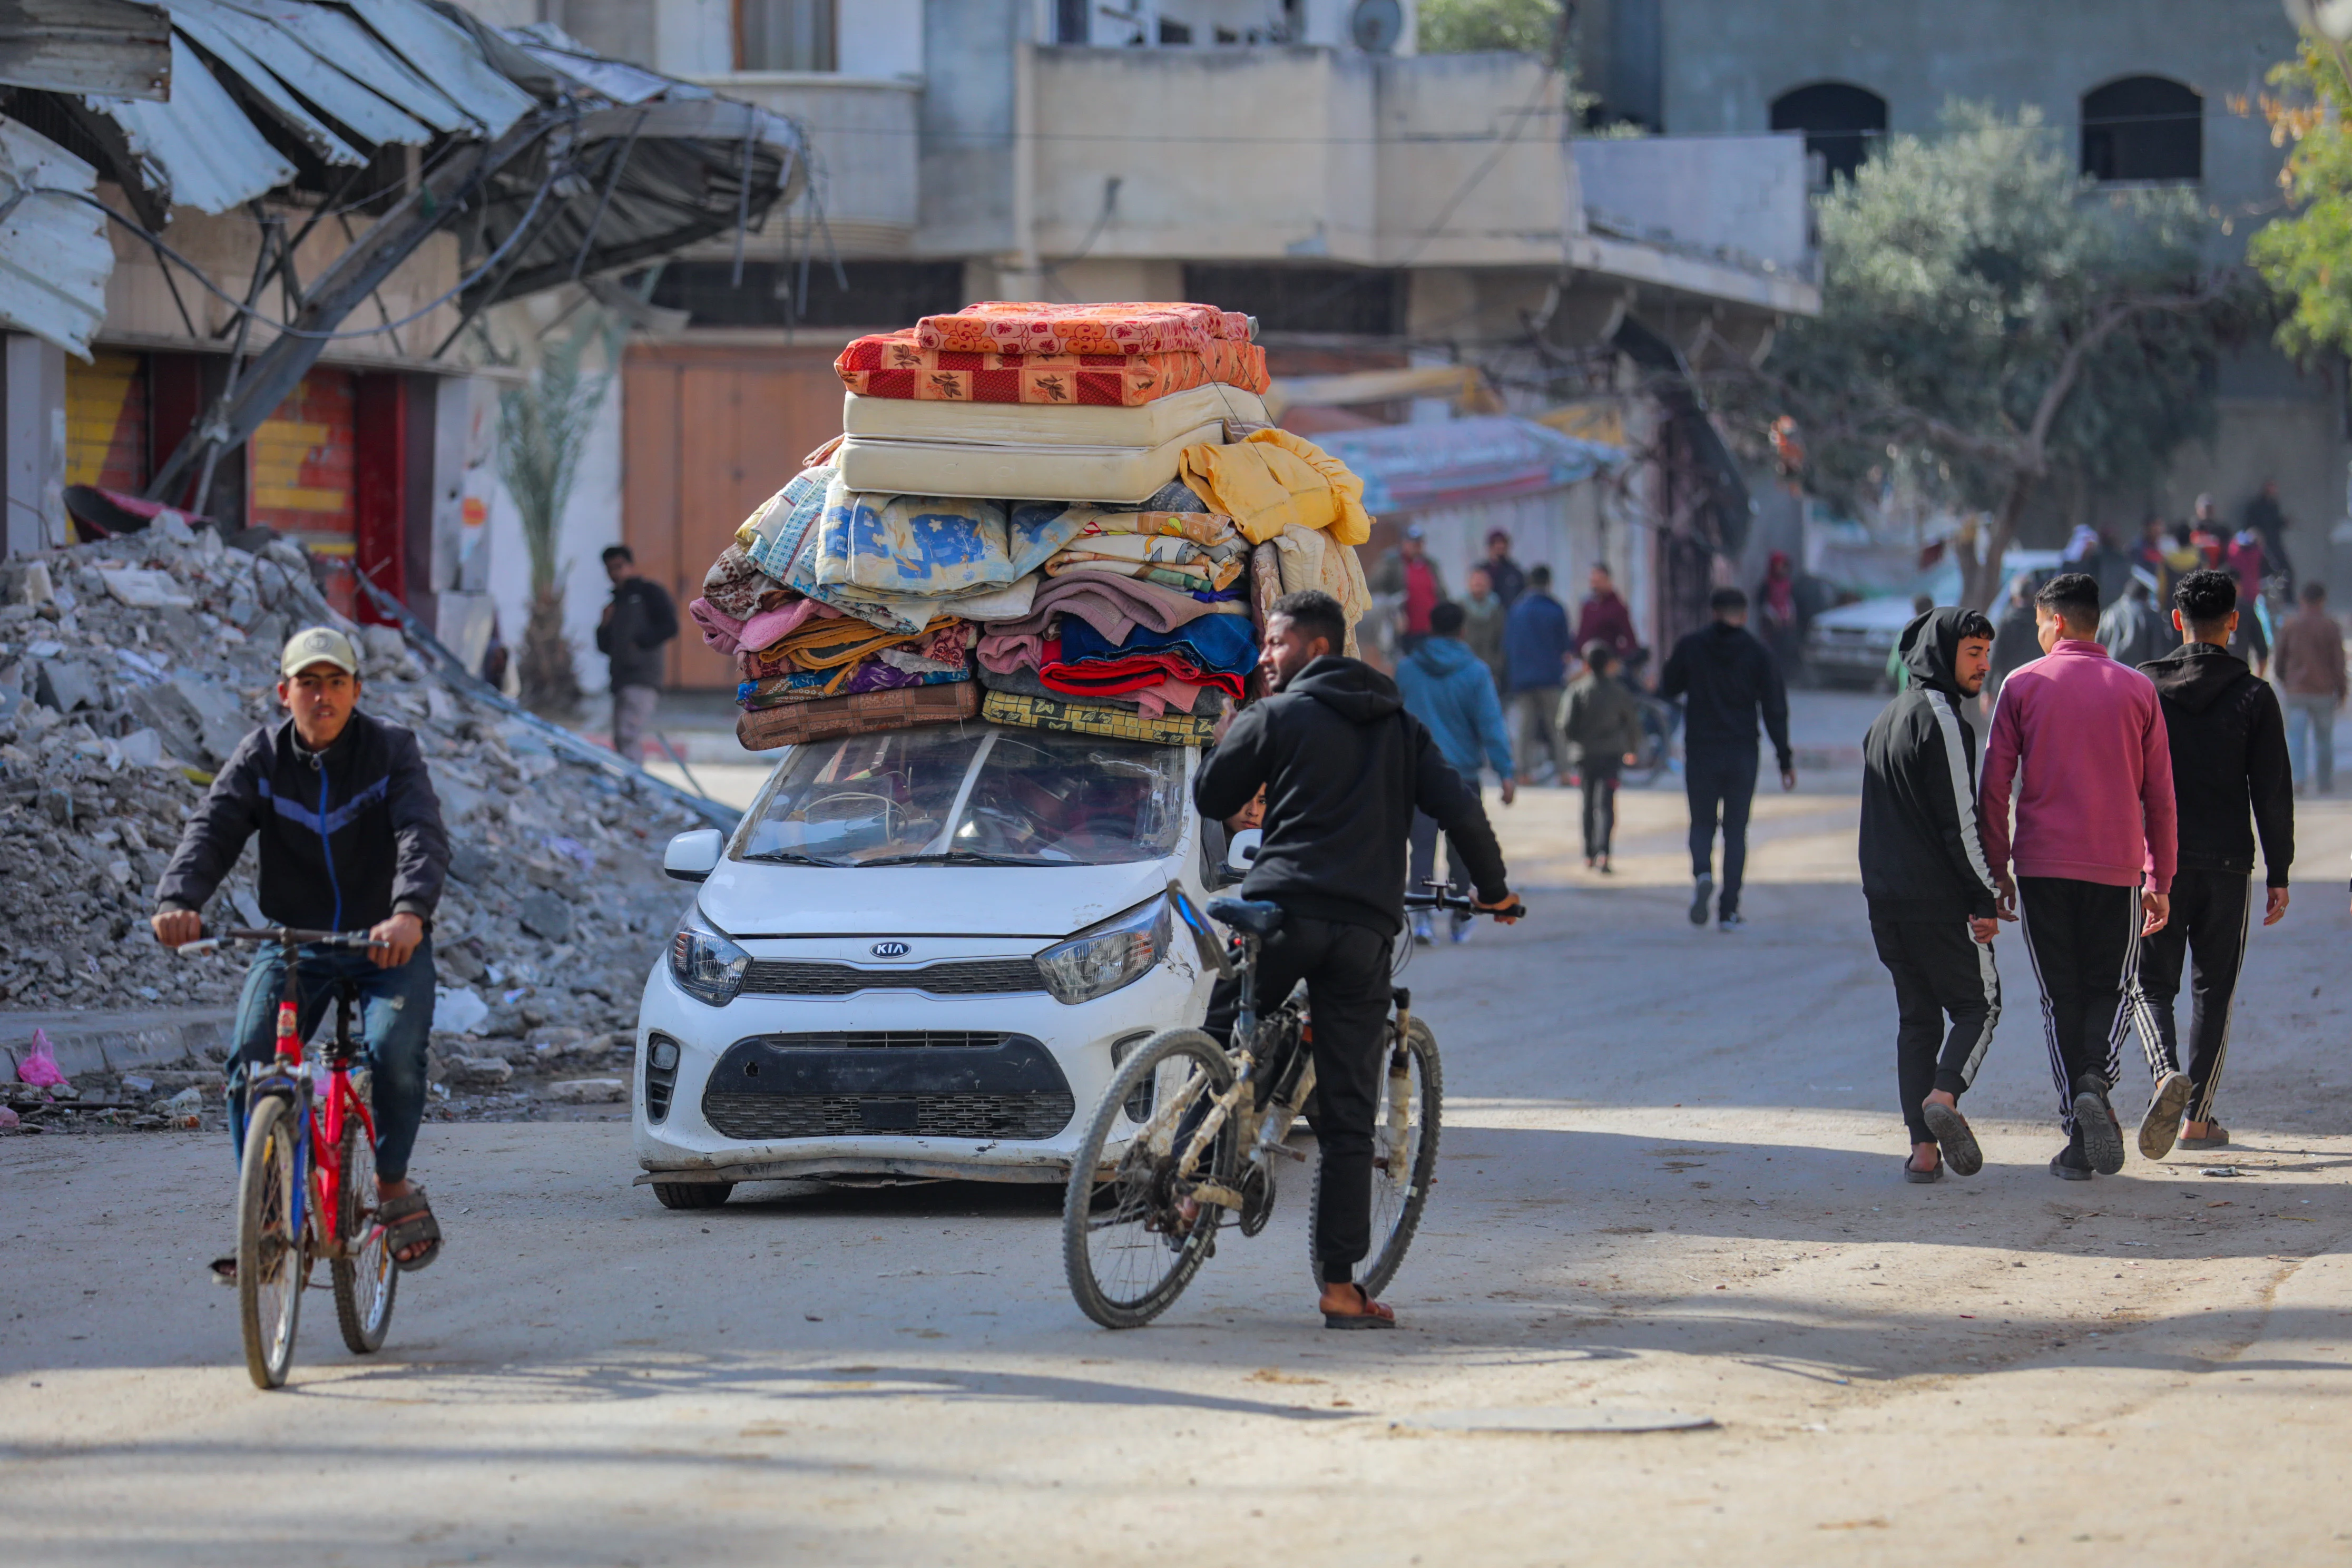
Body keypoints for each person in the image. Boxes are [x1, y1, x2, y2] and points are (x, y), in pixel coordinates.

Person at [1195, 590, 1517, 1329]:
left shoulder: (1275, 717)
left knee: (1217, 1039)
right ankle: (1341, 1291)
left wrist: (1231, 743)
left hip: (1280, 913)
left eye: (1274, 644)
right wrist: (1494, 893)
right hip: (1364, 931)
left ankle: (1184, 1186)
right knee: (1347, 1118)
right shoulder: (1402, 729)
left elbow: (1216, 794)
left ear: (1315, 647)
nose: (1264, 658)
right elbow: (1459, 808)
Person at [151, 627, 450, 1280]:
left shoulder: (391, 750)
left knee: (397, 1052)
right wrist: (180, 898)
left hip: (384, 944)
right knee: (250, 1061)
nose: (323, 697)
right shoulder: (260, 756)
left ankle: (393, 1180)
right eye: (308, 684)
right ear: (284, 691)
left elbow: (420, 833)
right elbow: (213, 828)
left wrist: (408, 913)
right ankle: (263, 1212)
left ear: (356, 691)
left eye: (336, 683)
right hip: (296, 944)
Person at [1979, 572, 2176, 1183]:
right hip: (2116, 868)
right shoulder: (2138, 690)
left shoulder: (2021, 685)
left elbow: (1994, 787)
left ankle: (2077, 1135)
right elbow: (2161, 796)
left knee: (2058, 996)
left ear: (2056, 621)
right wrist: (2159, 875)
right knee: (2110, 989)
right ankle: (2095, 1079)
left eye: (2040, 623)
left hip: (2041, 868)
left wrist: (1997, 866)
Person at [2128, 569, 2292, 1159]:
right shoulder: (2254, 696)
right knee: (2213, 990)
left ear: (2177, 621)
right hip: (2227, 863)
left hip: (2157, 866)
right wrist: (2280, 872)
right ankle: (2197, 1118)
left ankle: (2164, 1074)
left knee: (2150, 985)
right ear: (2233, 623)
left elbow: (2127, 780)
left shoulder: (2143, 688)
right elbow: (2271, 791)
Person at [1860, 607, 2005, 1183]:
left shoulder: (1884, 721)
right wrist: (1985, 896)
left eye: (1987, 654)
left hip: (1886, 902)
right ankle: (1944, 1096)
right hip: (1935, 901)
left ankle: (1923, 1153)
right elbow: (1960, 823)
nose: (1984, 666)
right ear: (1942, 655)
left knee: (1917, 1019)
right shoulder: (1942, 719)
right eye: (1973, 654)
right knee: (1980, 1006)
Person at [1662, 586, 1795, 930]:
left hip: (1702, 751)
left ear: (1713, 612)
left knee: (1702, 823)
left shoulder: (1691, 647)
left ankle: (1703, 873)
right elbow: (1775, 709)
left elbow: (1668, 687)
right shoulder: (1758, 653)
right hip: (1741, 753)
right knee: (1736, 831)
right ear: (1744, 615)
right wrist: (1784, 759)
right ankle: (1729, 911)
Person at [1394, 600, 1517, 943]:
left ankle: (1421, 920)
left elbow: (1392, 721)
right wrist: (1506, 772)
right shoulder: (1476, 672)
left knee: (1420, 847)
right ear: (1463, 631)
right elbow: (1491, 725)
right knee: (1462, 848)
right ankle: (1461, 916)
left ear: (1431, 628)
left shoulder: (1406, 669)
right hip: (1462, 776)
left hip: (1418, 775)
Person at [1561, 641, 1643, 872]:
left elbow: (1566, 724)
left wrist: (1576, 742)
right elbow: (1632, 724)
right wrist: (1631, 749)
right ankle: (1605, 853)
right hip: (1611, 755)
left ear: (1586, 665)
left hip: (1585, 755)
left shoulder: (1577, 690)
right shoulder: (1619, 692)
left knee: (1588, 803)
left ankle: (1588, 853)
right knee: (1606, 804)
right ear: (1609, 665)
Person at [596, 544, 678, 762]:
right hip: (620, 678)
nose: (615, 573)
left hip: (643, 677)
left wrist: (638, 644)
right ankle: (629, 785)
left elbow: (670, 626)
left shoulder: (649, 593)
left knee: (627, 734)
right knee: (621, 737)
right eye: (610, 569)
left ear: (631, 566)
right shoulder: (614, 603)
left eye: (619, 566)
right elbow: (604, 647)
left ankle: (634, 786)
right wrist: (604, 625)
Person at [1503, 564, 1575, 785]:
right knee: (1557, 726)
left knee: (1526, 726)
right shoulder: (1555, 609)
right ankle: (1564, 772)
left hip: (1523, 677)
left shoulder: (1517, 610)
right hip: (1550, 677)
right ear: (1548, 583)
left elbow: (1507, 645)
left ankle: (1522, 772)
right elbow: (1566, 646)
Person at [2273, 581, 2348, 794]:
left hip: (2296, 691)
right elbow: (2338, 663)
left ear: (2302, 600)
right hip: (2323, 692)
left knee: (2296, 739)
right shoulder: (2330, 626)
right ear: (2323, 601)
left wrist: (2286, 681)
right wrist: (2342, 690)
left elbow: (2279, 660)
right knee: (2324, 740)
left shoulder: (2290, 625)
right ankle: (2324, 783)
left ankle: (2298, 781)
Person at [1371, 525, 1448, 652]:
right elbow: (1373, 589)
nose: (1416, 546)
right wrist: (1393, 606)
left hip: (1432, 631)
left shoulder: (1431, 564)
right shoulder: (1392, 565)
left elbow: (1441, 593)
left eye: (1419, 543)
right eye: (1412, 543)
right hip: (1406, 633)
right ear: (1403, 543)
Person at [1985, 573, 2040, 718]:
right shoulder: (2041, 624)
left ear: (2015, 597)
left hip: (2009, 686)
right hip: (2037, 687)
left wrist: (1987, 690)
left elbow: (1994, 656)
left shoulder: (2005, 622)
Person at [1574, 563, 1640, 667]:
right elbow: (1582, 634)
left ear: (1607, 581)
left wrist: (1618, 658)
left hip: (1608, 665)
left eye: (1598, 582)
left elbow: (1629, 640)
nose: (1594, 586)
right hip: (1587, 664)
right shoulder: (1588, 606)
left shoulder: (1617, 608)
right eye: (1593, 582)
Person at [2097, 579, 2170, 670]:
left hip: (2110, 675)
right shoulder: (2153, 617)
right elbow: (2160, 654)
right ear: (2146, 597)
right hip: (2141, 678)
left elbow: (2096, 647)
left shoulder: (2108, 615)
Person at [1460, 566, 1511, 692]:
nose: (1478, 584)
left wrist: (1496, 670)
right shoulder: (1459, 609)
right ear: (1469, 583)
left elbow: (1502, 642)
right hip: (1463, 670)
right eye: (1475, 581)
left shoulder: (1497, 610)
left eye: (1481, 581)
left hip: (1490, 669)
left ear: (1489, 584)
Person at [2243, 478, 2294, 595]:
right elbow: (2251, 525)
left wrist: (2284, 522)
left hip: (2275, 543)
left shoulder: (2273, 505)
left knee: (2286, 571)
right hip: (2262, 546)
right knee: (2268, 573)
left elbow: (2275, 524)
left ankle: (2288, 599)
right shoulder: (2257, 506)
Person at [1758, 551, 1803, 675]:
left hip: (1786, 624)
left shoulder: (1788, 585)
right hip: (1771, 625)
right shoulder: (1767, 585)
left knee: (1787, 648)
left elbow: (1790, 602)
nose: (1782, 570)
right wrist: (1772, 616)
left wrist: (1790, 615)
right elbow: (1763, 604)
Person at [1884, 593, 1935, 691]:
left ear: (1915, 611)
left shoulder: (1905, 633)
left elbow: (1892, 667)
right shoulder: (1939, 633)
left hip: (1908, 692)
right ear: (1933, 609)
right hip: (1933, 695)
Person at [1481, 528, 1526, 608]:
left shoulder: (1515, 573)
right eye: (1497, 547)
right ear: (1490, 548)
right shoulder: (1481, 572)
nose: (1500, 550)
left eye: (1503, 547)